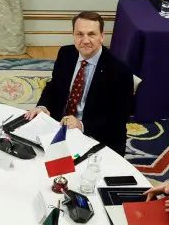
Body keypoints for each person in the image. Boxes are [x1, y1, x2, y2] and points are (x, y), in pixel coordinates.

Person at [24, 12, 135, 157]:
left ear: (102, 36)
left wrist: (81, 125)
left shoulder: (120, 70)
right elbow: (53, 86)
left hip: (96, 135)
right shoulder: (66, 53)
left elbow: (118, 118)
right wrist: (42, 107)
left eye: (91, 34)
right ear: (73, 35)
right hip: (60, 125)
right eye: (80, 34)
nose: (85, 40)